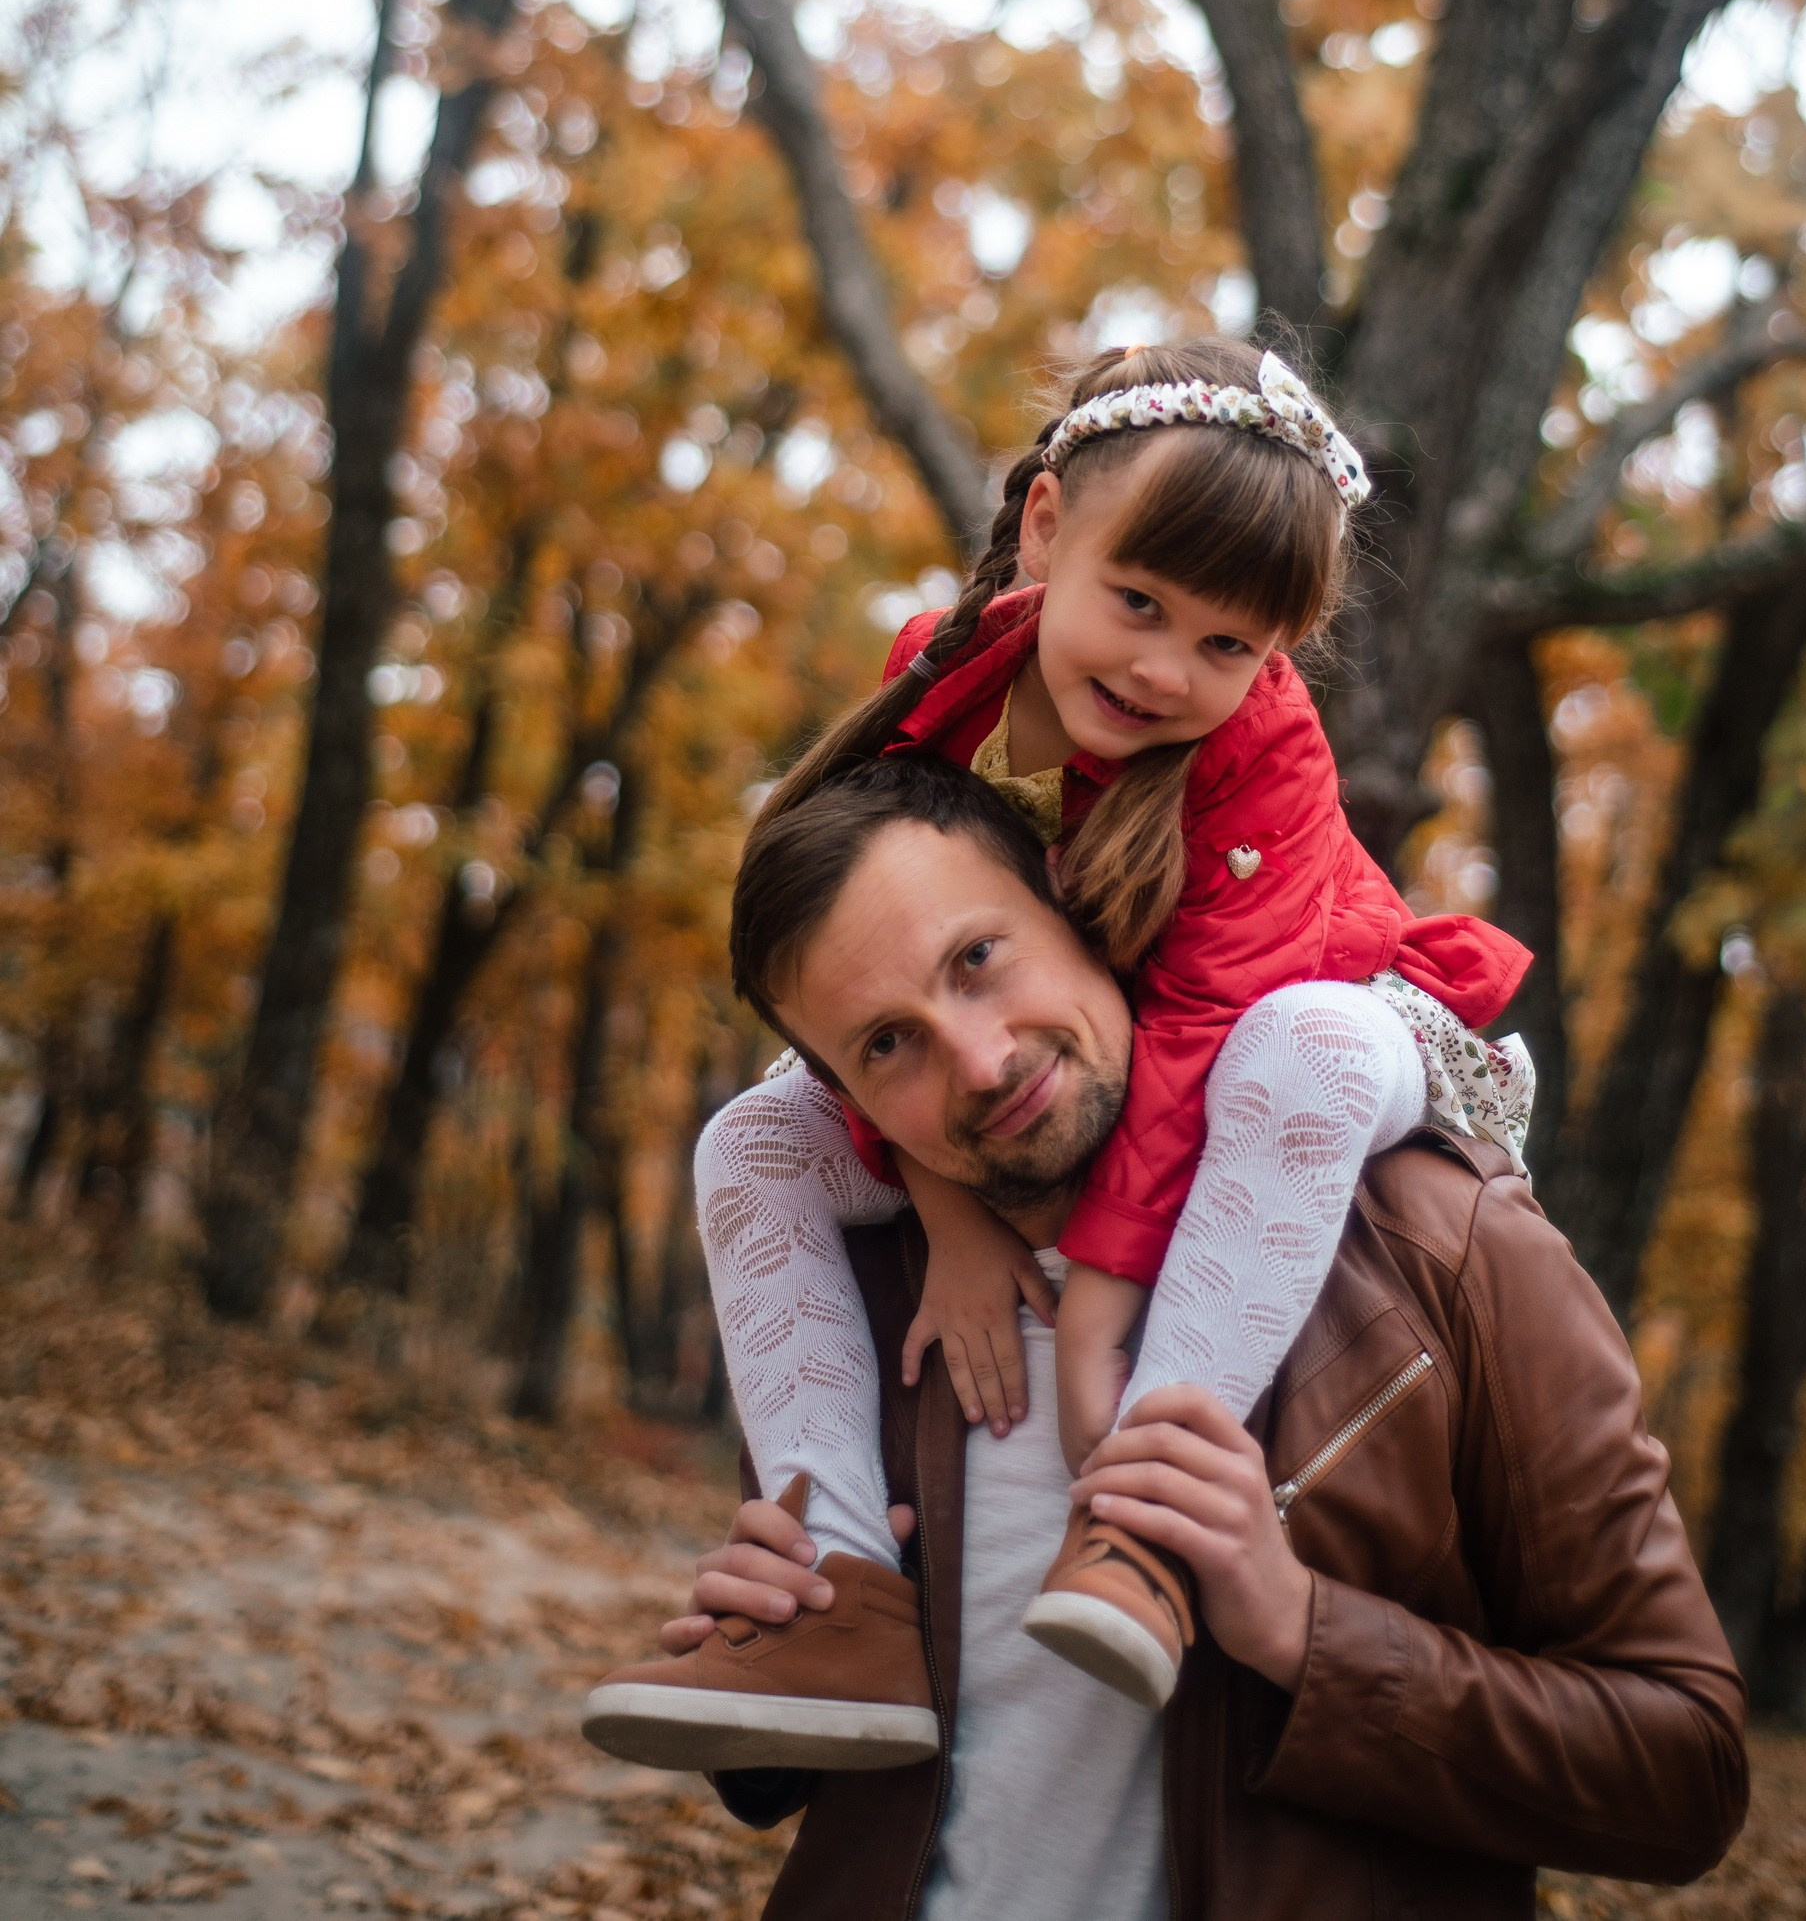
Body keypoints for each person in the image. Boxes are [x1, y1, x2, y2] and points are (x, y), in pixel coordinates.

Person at [583, 762, 1747, 1921]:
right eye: (888, 1043)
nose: (979, 1062)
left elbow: (1683, 1772)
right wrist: (772, 1704)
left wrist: (1298, 1629)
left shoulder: (1438, 1247)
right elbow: (868, 1778)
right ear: (847, 1099)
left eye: (976, 959)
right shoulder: (858, 1291)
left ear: (1072, 901)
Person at [648, 340, 1530, 1723]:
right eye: (1139, 603)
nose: (1166, 670)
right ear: (1048, 528)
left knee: (1300, 1046)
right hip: (1056, 1032)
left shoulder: (1265, 757)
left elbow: (1199, 1031)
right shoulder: (940, 680)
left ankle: (1141, 1529)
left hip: (1302, 1021)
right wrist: (947, 1216)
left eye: (1227, 644)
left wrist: (1099, 1317)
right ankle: (835, 1585)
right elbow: (886, 995)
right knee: (754, 1140)